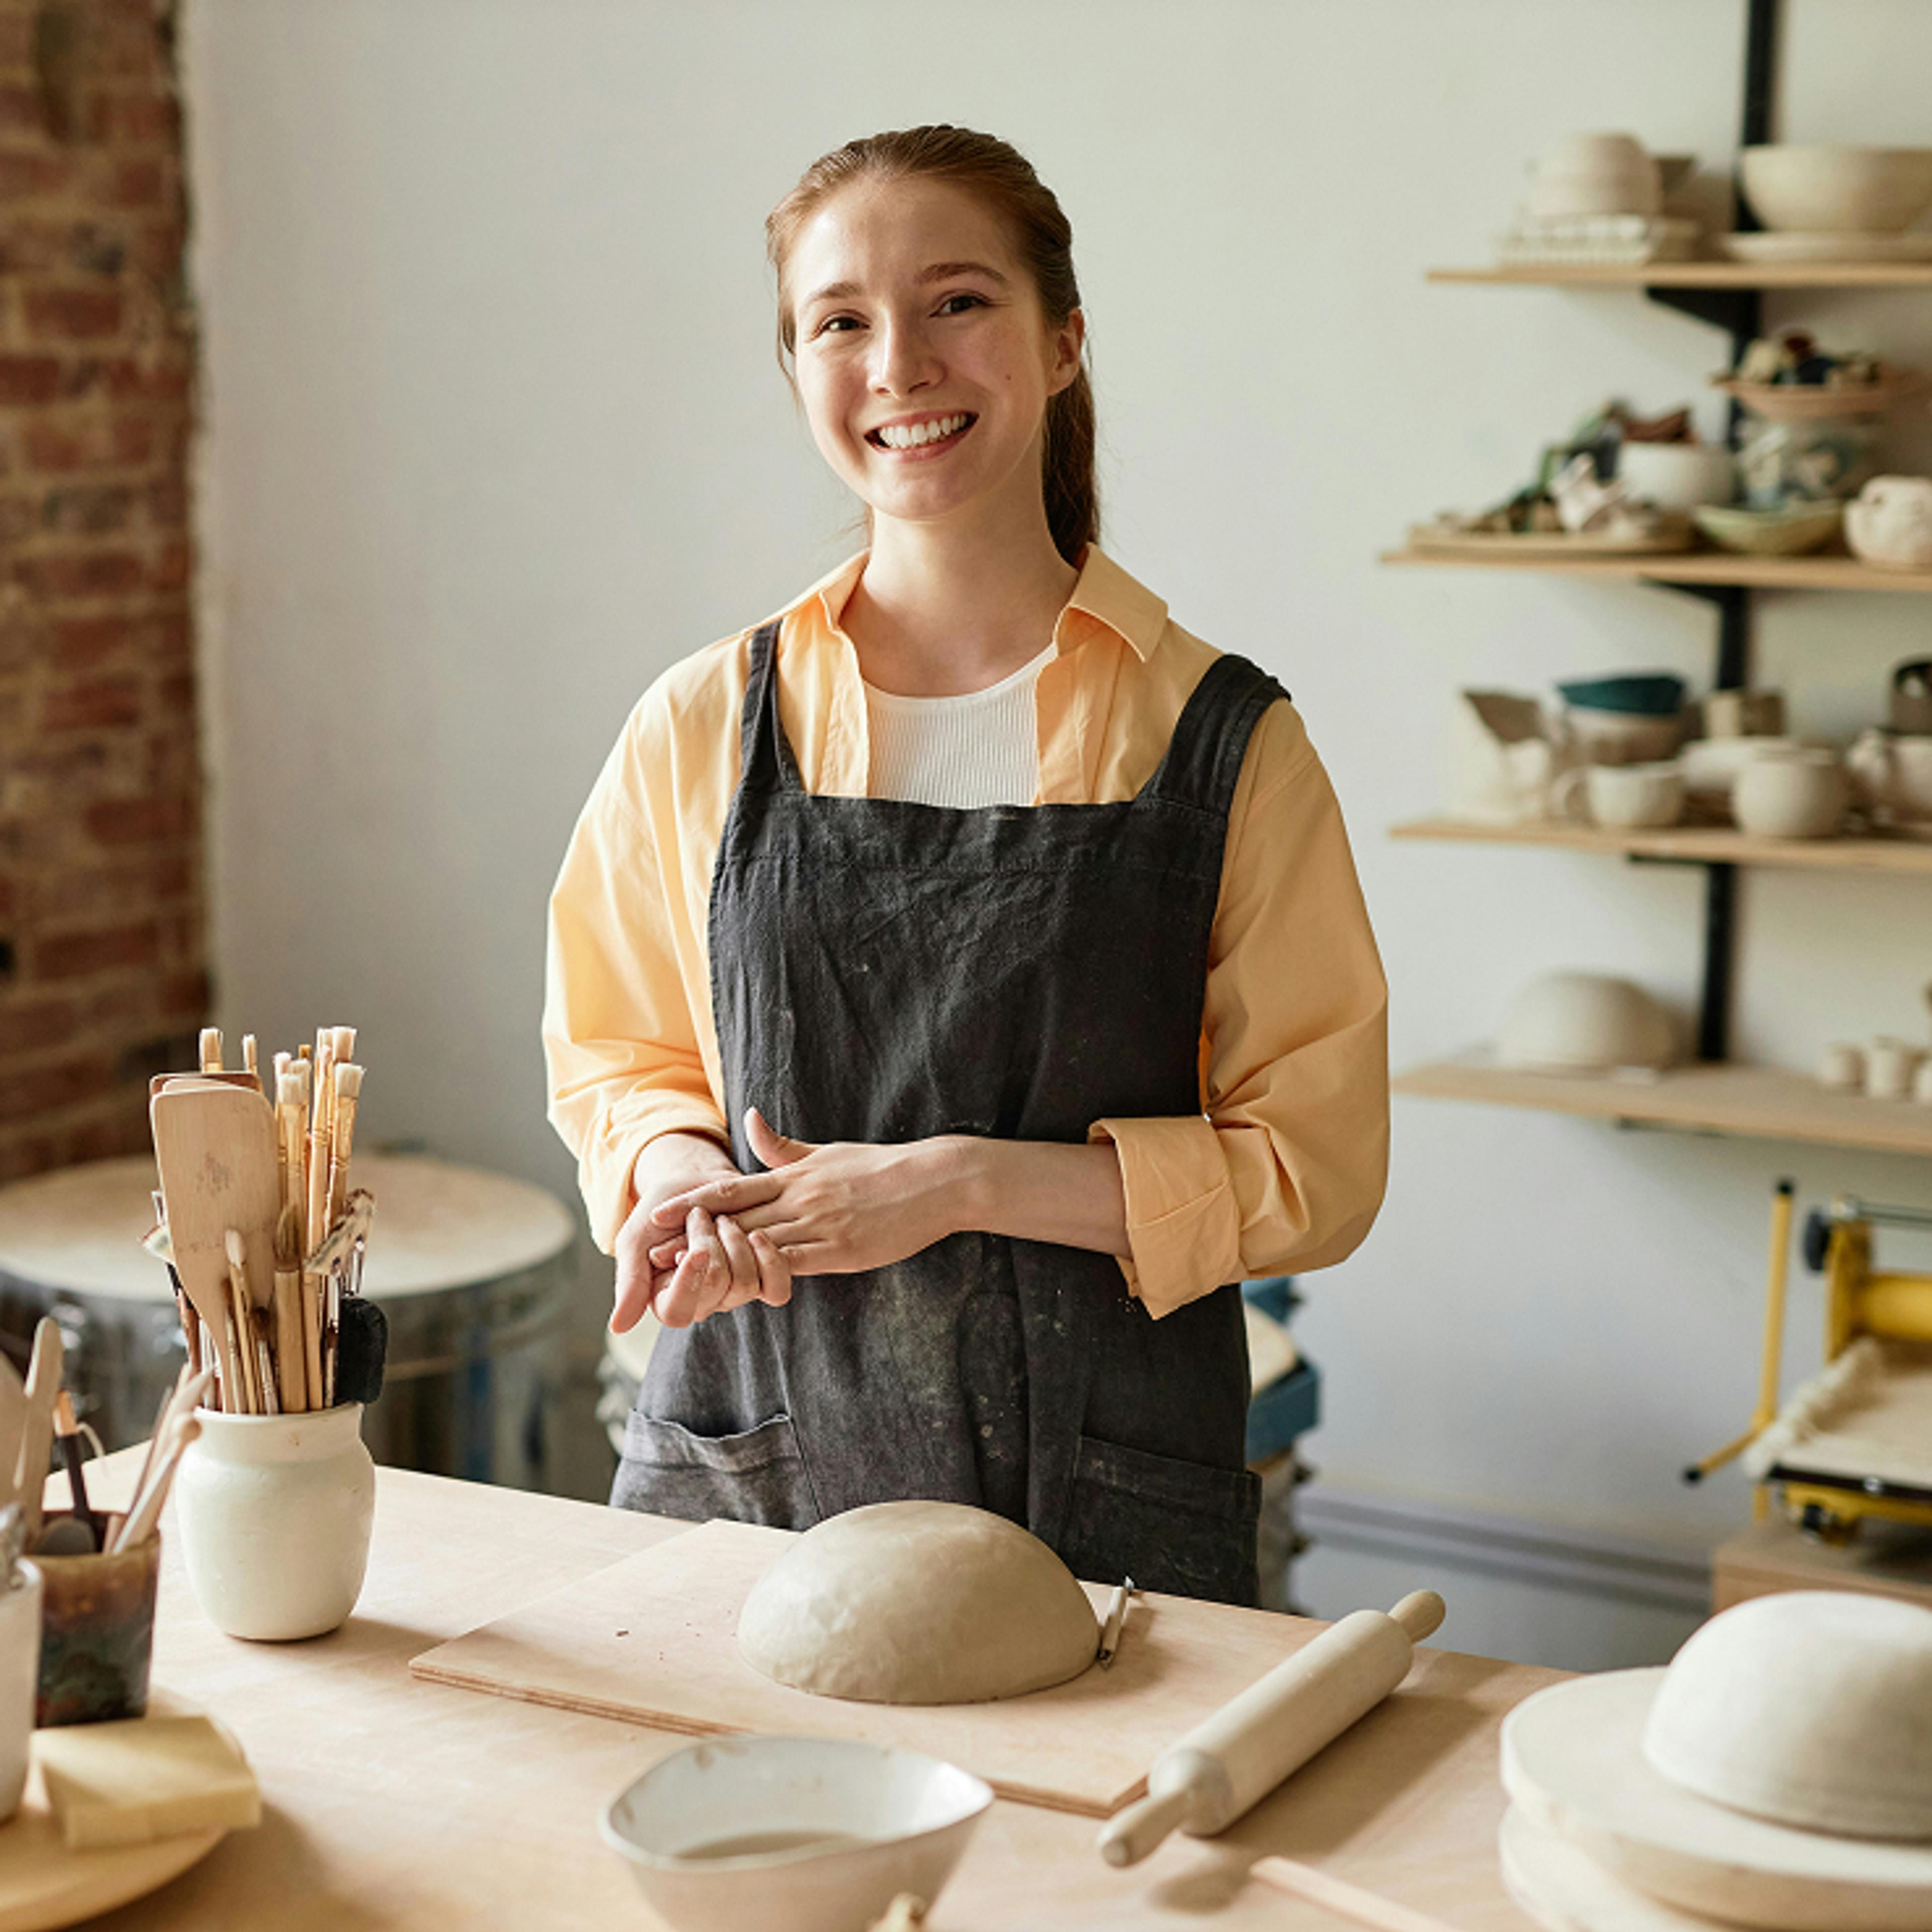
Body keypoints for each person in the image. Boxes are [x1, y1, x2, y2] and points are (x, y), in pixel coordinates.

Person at [543, 125, 1387, 1605]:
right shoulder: (703, 723)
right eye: (840, 322)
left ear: (1061, 341)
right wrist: (680, 1181)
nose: (900, 365)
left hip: (1105, 1504)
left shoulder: (1220, 739)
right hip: (750, 1479)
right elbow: (622, 1055)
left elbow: (1313, 1168)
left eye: (957, 303)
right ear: (798, 366)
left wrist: (956, 1185)